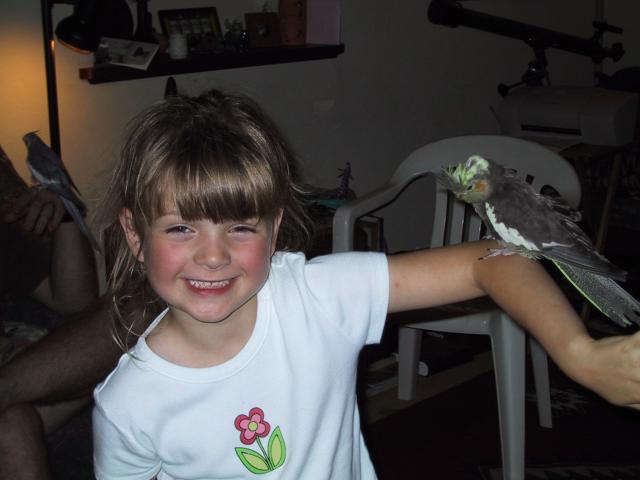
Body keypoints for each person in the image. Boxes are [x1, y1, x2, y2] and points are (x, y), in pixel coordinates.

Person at [92, 89, 640, 480]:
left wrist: (579, 353)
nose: (212, 256)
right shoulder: (127, 406)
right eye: (181, 228)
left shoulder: (318, 298)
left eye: (240, 227)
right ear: (135, 236)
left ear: (275, 229)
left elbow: (489, 262)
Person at [0, 149, 105, 480]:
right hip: (21, 387)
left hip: (25, 368)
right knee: (13, 425)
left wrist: (64, 208)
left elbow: (74, 302)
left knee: (139, 309)